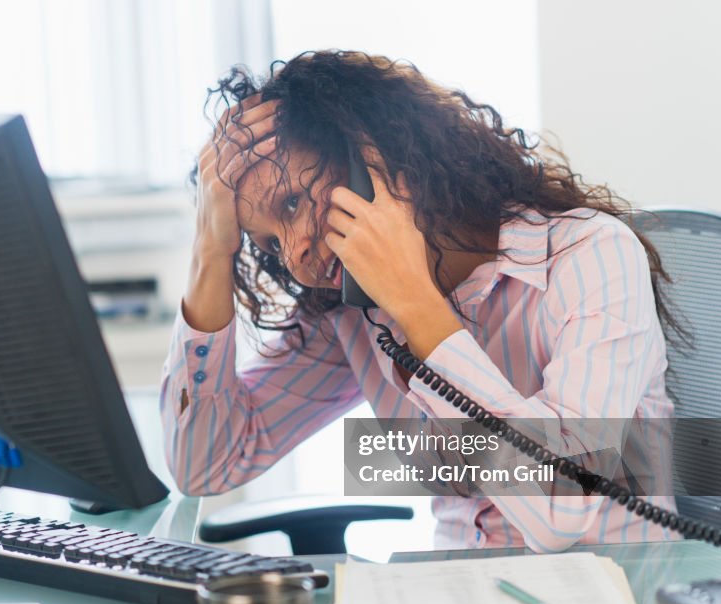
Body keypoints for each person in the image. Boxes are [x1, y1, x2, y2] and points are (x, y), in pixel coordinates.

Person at [159, 50, 683, 552]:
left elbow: (560, 513)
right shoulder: (353, 313)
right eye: (270, 242)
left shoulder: (588, 255)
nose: (293, 256)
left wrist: (417, 305)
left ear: (380, 163)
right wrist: (210, 251)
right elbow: (206, 466)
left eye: (293, 203)